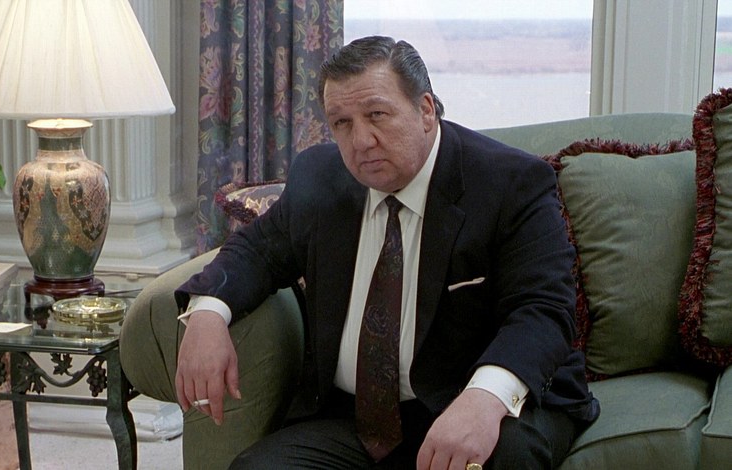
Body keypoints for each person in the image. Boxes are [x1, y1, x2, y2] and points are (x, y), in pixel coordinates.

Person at [172, 35, 599, 469]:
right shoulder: (321, 176)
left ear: (426, 110)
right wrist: (207, 314)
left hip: (483, 401)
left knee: (503, 456)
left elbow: (543, 309)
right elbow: (257, 250)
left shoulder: (510, 183)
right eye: (342, 122)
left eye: (377, 114)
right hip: (353, 419)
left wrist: (485, 397)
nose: (361, 140)